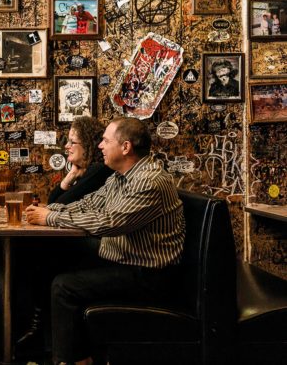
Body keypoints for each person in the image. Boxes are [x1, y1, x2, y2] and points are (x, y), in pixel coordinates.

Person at [26, 118, 185, 365]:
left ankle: (71, 360)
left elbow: (110, 222)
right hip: (125, 256)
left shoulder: (149, 181)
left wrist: (51, 217)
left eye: (105, 141)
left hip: (149, 273)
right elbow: (88, 204)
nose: (100, 146)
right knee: (51, 256)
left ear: (125, 147)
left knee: (63, 286)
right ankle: (65, 350)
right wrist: (48, 211)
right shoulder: (120, 177)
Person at [16, 117, 113, 351]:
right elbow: (54, 203)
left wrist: (69, 181)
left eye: (72, 142)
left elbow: (56, 205)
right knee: (39, 256)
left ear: (88, 145)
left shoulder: (99, 170)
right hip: (94, 242)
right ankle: (42, 328)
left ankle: (40, 330)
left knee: (36, 255)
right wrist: (69, 178)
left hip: (105, 249)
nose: (67, 147)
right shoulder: (89, 171)